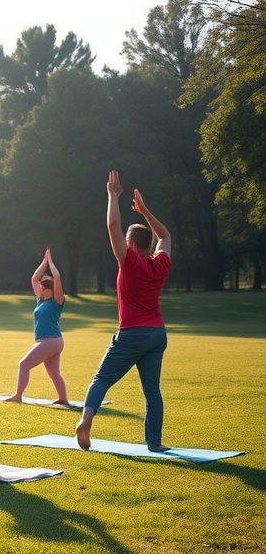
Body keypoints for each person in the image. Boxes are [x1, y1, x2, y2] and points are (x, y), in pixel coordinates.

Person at [75, 171, 172, 452]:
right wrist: (144, 211)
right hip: (157, 334)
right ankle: (154, 442)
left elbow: (113, 225)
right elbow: (165, 235)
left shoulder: (129, 262)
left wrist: (112, 196)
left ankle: (85, 421)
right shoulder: (160, 263)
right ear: (148, 244)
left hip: (132, 334)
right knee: (152, 391)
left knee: (102, 379)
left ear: (130, 245)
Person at [5, 248, 68, 405]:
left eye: (48, 290)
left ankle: (18, 396)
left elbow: (57, 277)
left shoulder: (57, 301)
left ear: (54, 291)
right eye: (43, 289)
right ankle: (63, 399)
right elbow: (34, 279)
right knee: (53, 372)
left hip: (51, 340)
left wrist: (51, 263)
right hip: (50, 341)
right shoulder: (41, 301)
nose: (44, 292)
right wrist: (44, 263)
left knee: (24, 364)